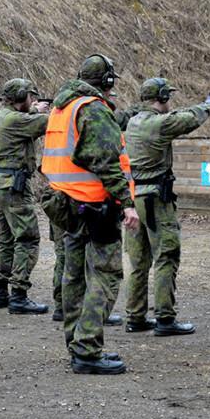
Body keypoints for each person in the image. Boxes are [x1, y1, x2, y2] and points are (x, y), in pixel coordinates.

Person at [41, 54, 136, 374]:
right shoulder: (93, 109)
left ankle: (77, 344)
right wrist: (128, 203)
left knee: (74, 275)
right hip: (95, 206)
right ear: (107, 81)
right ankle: (87, 348)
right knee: (106, 275)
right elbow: (107, 162)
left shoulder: (62, 107)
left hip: (67, 204)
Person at [122, 78, 210, 336]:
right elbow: (187, 119)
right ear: (163, 97)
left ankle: (135, 316)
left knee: (139, 260)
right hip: (155, 197)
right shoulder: (159, 124)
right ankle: (165, 318)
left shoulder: (134, 121)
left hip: (134, 197)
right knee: (166, 255)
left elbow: (177, 115)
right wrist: (209, 105)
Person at [0, 78, 52, 314]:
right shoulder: (15, 120)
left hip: (0, 183)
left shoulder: (1, 116)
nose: (32, 100)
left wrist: (34, 109)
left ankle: (1, 291)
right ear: (20, 97)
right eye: (29, 97)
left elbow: (27, 119)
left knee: (6, 240)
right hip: (14, 186)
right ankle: (19, 295)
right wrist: (44, 111)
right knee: (27, 239)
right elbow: (47, 123)